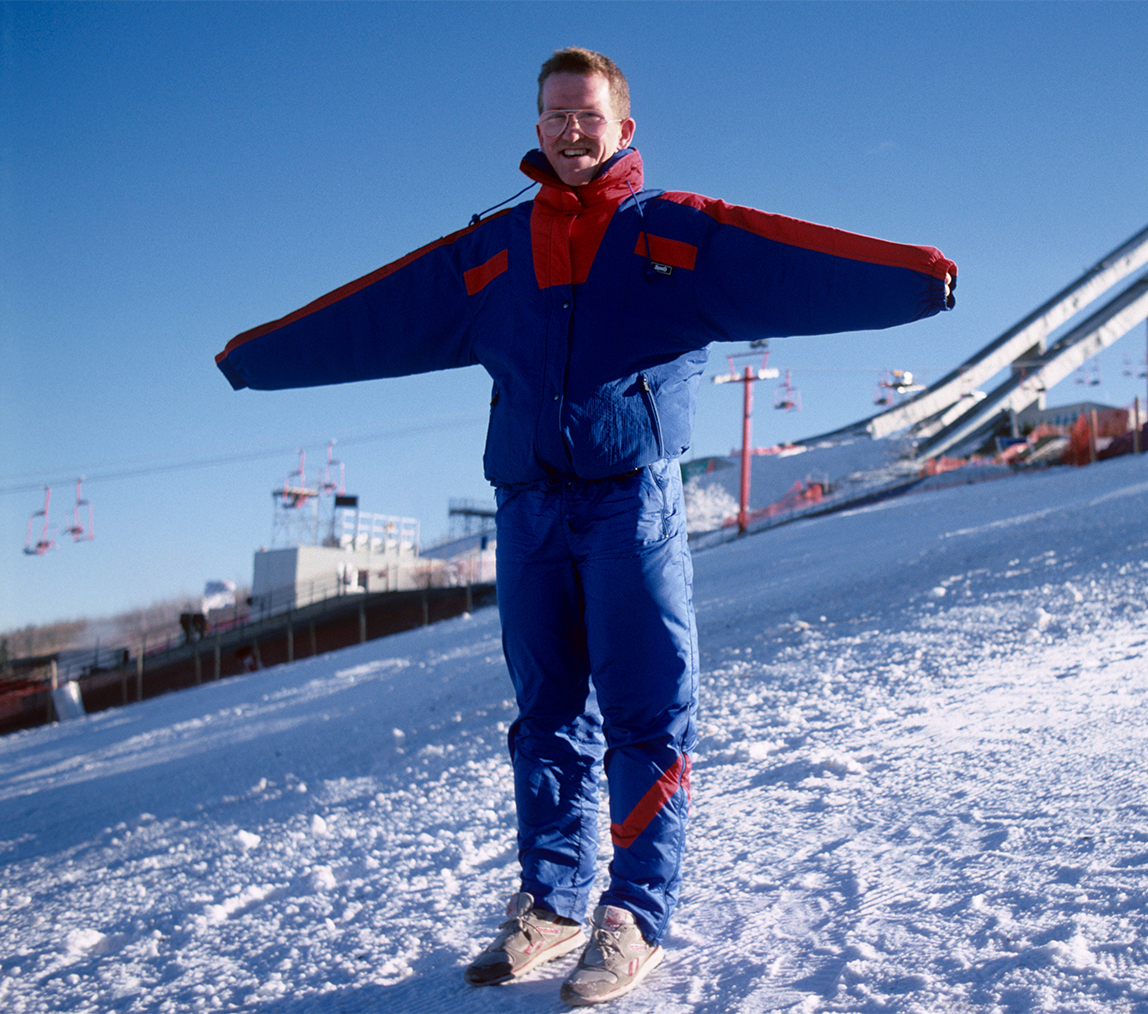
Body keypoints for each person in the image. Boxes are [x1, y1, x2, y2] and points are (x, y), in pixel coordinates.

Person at [215, 46, 956, 1006]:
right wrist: (258, 359)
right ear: (537, 129)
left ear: (624, 128)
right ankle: (553, 901)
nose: (573, 132)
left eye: (589, 116)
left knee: (647, 711)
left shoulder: (673, 236)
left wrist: (915, 279)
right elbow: (378, 312)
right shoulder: (493, 253)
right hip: (527, 512)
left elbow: (797, 262)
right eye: (556, 116)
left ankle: (634, 913)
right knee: (547, 716)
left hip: (627, 504)